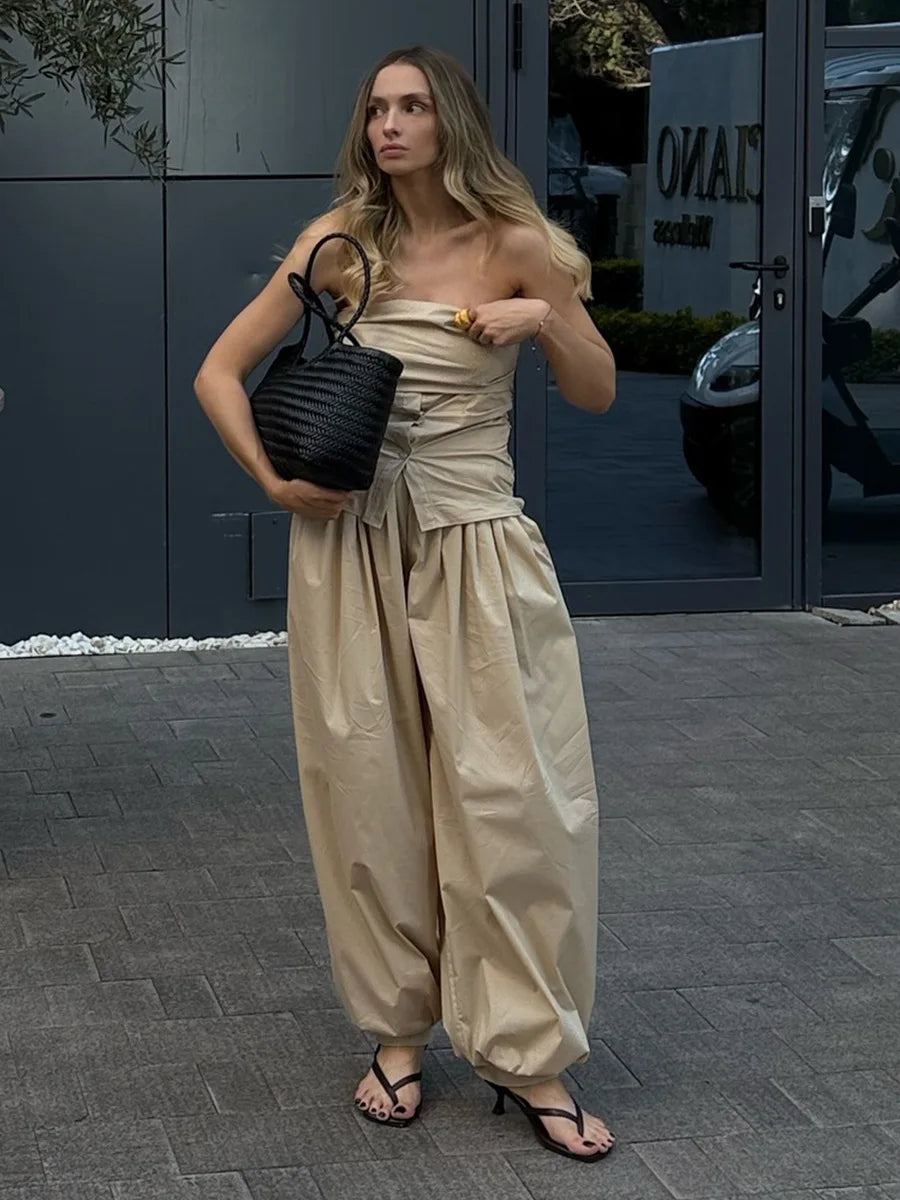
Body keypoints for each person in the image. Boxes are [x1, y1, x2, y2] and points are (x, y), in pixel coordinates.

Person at [194, 44, 616, 1163]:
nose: (390, 125)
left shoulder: (516, 244)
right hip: (353, 547)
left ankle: (530, 1053)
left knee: (513, 798)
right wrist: (276, 484)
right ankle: (397, 1031)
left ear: (450, 122)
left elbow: (599, 387)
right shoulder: (344, 245)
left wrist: (540, 320)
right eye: (377, 107)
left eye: (413, 106)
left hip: (477, 546)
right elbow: (217, 373)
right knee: (369, 793)